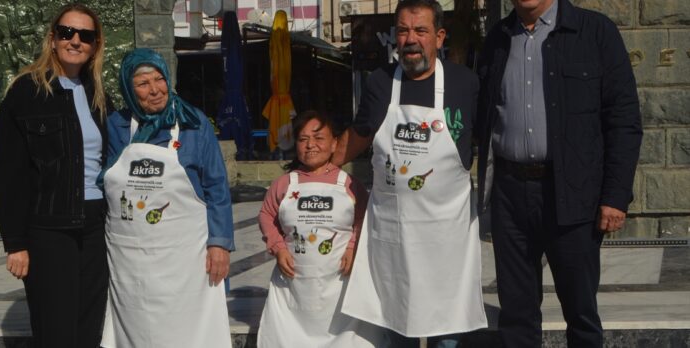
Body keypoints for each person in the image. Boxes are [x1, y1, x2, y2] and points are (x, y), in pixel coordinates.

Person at [476, 0, 642, 347]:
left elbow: (623, 119)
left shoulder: (595, 32)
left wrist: (615, 196)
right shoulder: (496, 39)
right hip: (510, 195)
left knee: (581, 311)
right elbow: (482, 117)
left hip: (573, 193)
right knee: (516, 314)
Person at [334, 0, 488, 346]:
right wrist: (318, 167)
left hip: (447, 238)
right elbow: (356, 139)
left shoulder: (466, 84)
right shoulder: (380, 82)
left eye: (420, 30)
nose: (410, 39)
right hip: (394, 235)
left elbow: (490, 139)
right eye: (403, 30)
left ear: (440, 36)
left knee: (446, 330)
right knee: (396, 323)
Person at [0, 4, 110, 347]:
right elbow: (7, 174)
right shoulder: (27, 92)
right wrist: (15, 243)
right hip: (48, 229)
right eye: (66, 32)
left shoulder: (97, 94)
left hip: (95, 226)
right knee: (56, 330)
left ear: (95, 44)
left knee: (88, 328)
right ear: (52, 39)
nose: (75, 41)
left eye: (85, 35)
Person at [100, 48, 234, 347]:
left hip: (186, 258)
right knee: (139, 326)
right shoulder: (116, 126)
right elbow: (106, 181)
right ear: (127, 89)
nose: (155, 90)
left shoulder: (194, 124)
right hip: (131, 259)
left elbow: (217, 188)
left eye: (159, 79)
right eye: (143, 84)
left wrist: (220, 244)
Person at [257, 110, 384, 348]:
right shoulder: (285, 183)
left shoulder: (349, 184)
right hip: (293, 289)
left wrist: (352, 247)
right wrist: (278, 246)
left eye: (319, 138)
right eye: (303, 139)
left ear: (335, 142)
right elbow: (266, 215)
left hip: (339, 285)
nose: (310, 145)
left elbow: (364, 219)